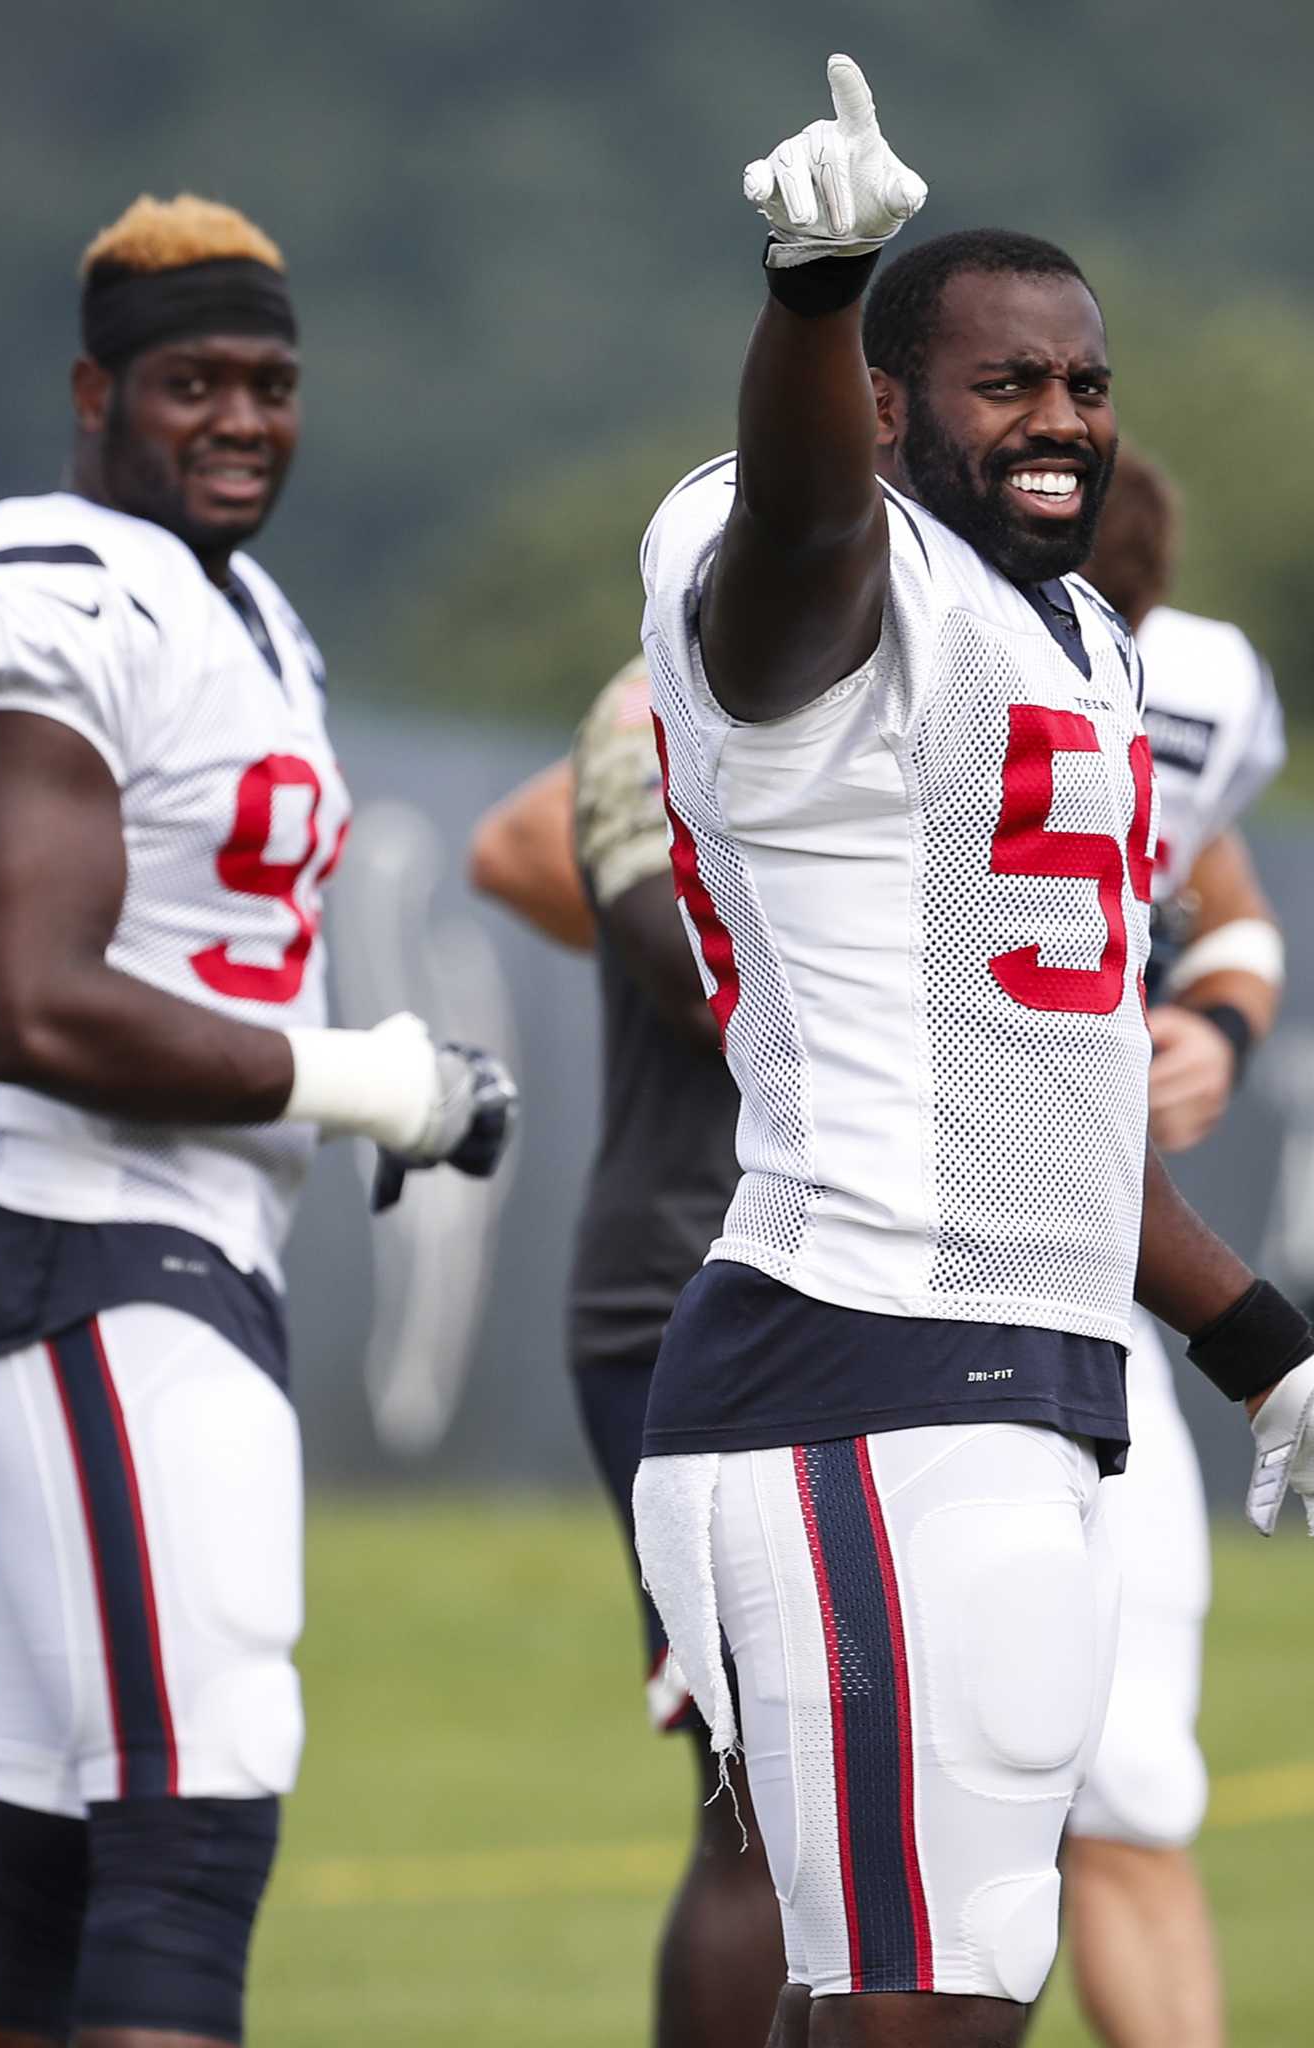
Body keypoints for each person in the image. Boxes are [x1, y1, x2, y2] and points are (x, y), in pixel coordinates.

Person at [627, 57, 1314, 2048]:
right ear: (889, 407)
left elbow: (1055, 1109)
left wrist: (1273, 1352)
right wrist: (813, 292)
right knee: (929, 2005)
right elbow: (803, 550)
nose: (1064, 419)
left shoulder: (1075, 638)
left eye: (1086, 382)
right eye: (1009, 383)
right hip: (854, 1366)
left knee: (934, 1994)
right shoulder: (816, 559)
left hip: (1009, 1377)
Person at [473, 452, 1284, 2048]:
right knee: (769, 1814)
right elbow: (526, 849)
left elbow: (1217, 897)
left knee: (990, 1811)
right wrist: (838, 965)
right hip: (740, 1271)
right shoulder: (726, 651)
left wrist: (1216, 1020)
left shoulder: (1090, 672)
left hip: (975, 1293)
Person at [0, 194, 513, 2048]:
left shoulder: (240, 607)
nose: (241, 418)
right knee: (198, 1798)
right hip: (78, 1236)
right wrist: (370, 1079)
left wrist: (347, 1092)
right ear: (96, 392)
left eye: (271, 380)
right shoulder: (56, 590)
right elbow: (34, 1002)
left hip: (163, 1241)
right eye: (193, 383)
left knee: (55, 1829)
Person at [472, 662, 783, 2048]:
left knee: (977, 1790)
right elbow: (683, 972)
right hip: (702, 1297)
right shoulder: (670, 668)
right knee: (762, 1804)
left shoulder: (972, 638)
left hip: (904, 1292)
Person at [1059, 447, 1288, 2048]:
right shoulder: (860, 637)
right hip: (869, 1282)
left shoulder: (1180, 685)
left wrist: (1214, 1017)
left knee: (1132, 1779)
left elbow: (1226, 901)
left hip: (1091, 1274)